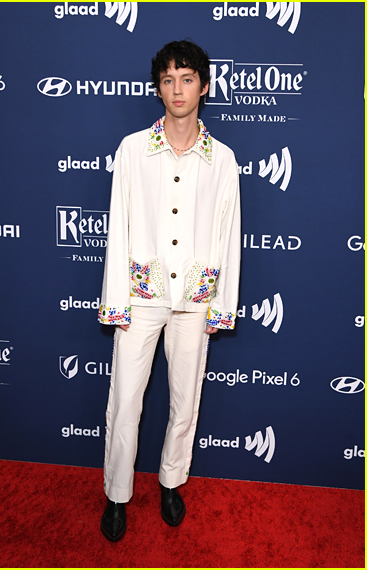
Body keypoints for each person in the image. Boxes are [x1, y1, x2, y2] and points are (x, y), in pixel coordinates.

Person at [98, 40, 241, 542]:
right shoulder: (133, 150)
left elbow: (230, 235)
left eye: (187, 79)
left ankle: (172, 481)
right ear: (157, 87)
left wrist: (221, 305)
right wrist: (116, 299)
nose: (177, 89)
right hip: (142, 294)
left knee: (186, 398)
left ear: (204, 86)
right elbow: (119, 227)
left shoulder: (223, 160)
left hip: (195, 300)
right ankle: (117, 493)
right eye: (167, 79)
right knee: (125, 398)